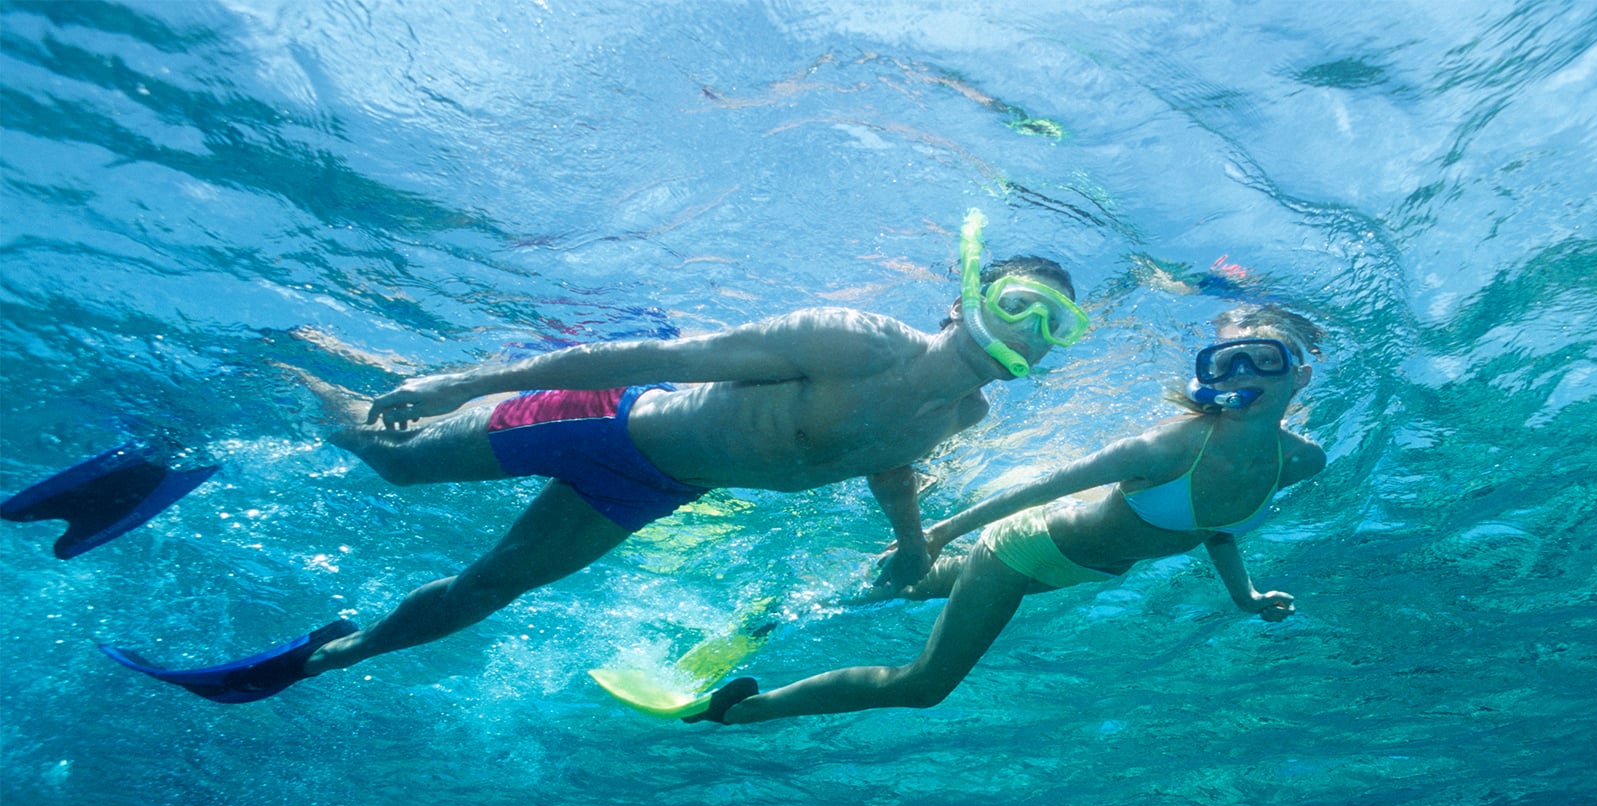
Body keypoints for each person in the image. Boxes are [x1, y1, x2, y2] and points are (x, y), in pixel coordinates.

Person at [100, 211, 1090, 705]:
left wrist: (911, 544)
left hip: (657, 485)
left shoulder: (959, 419)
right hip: (607, 419)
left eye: (1053, 324)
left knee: (488, 591)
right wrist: (455, 385)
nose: (1028, 330)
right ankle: (281, 371)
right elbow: (649, 356)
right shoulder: (850, 340)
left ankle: (329, 654)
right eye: (1014, 304)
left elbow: (888, 467)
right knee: (386, 455)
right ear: (964, 295)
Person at [706, 304, 1327, 725]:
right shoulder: (1167, 447)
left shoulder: (1301, 462)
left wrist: (1244, 597)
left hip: (1072, 571)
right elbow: (1046, 486)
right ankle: (740, 712)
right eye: (1225, 363)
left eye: (1263, 360)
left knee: (902, 591)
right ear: (1208, 377)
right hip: (1021, 549)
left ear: (1297, 377)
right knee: (923, 687)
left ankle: (783, 611)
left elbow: (1215, 527)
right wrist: (937, 532)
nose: (1242, 373)